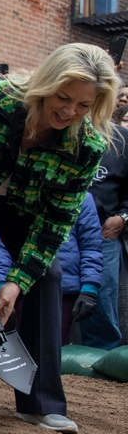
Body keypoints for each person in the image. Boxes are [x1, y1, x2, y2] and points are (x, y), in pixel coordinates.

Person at [0, 43, 117, 434]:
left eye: (83, 105)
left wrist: (14, 285)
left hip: (27, 207)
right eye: (63, 97)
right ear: (47, 82)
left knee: (48, 276)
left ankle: (39, 403)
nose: (69, 111)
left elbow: (55, 224)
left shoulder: (86, 146)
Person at [0, 192, 103, 345]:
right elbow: (3, 249)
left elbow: (91, 247)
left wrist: (89, 289)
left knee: (54, 345)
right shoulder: (21, 194)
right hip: (18, 288)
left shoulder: (83, 198)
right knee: (20, 345)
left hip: (65, 290)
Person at [82, 110, 128, 350]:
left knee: (102, 295)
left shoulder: (122, 139)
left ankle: (101, 356)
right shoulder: (61, 131)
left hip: (104, 232)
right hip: (60, 229)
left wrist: (122, 217)